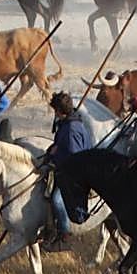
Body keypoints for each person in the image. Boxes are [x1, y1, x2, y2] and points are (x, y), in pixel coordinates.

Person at [43, 91, 89, 252]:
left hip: (74, 174)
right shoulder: (66, 123)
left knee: (57, 200)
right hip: (65, 168)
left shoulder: (72, 129)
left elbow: (74, 158)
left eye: (55, 110)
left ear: (59, 111)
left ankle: (65, 235)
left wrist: (55, 160)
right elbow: (59, 145)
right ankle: (49, 229)